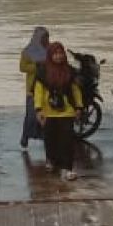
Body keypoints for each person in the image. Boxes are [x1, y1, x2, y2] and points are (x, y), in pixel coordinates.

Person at [32, 41, 83, 181]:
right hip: (48, 112)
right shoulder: (42, 72)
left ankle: (67, 168)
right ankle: (51, 160)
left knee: (67, 140)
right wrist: (38, 110)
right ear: (50, 55)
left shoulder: (70, 71)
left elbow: (75, 90)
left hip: (67, 111)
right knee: (50, 139)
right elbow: (38, 92)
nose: (58, 56)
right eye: (55, 54)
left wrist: (79, 107)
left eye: (61, 53)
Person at [18, 27, 49, 148]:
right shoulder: (27, 51)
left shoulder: (51, 49)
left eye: (47, 37)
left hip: (47, 88)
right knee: (31, 115)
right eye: (43, 38)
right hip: (32, 89)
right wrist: (37, 66)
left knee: (46, 115)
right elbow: (22, 68)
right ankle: (25, 136)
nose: (46, 40)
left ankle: (46, 138)